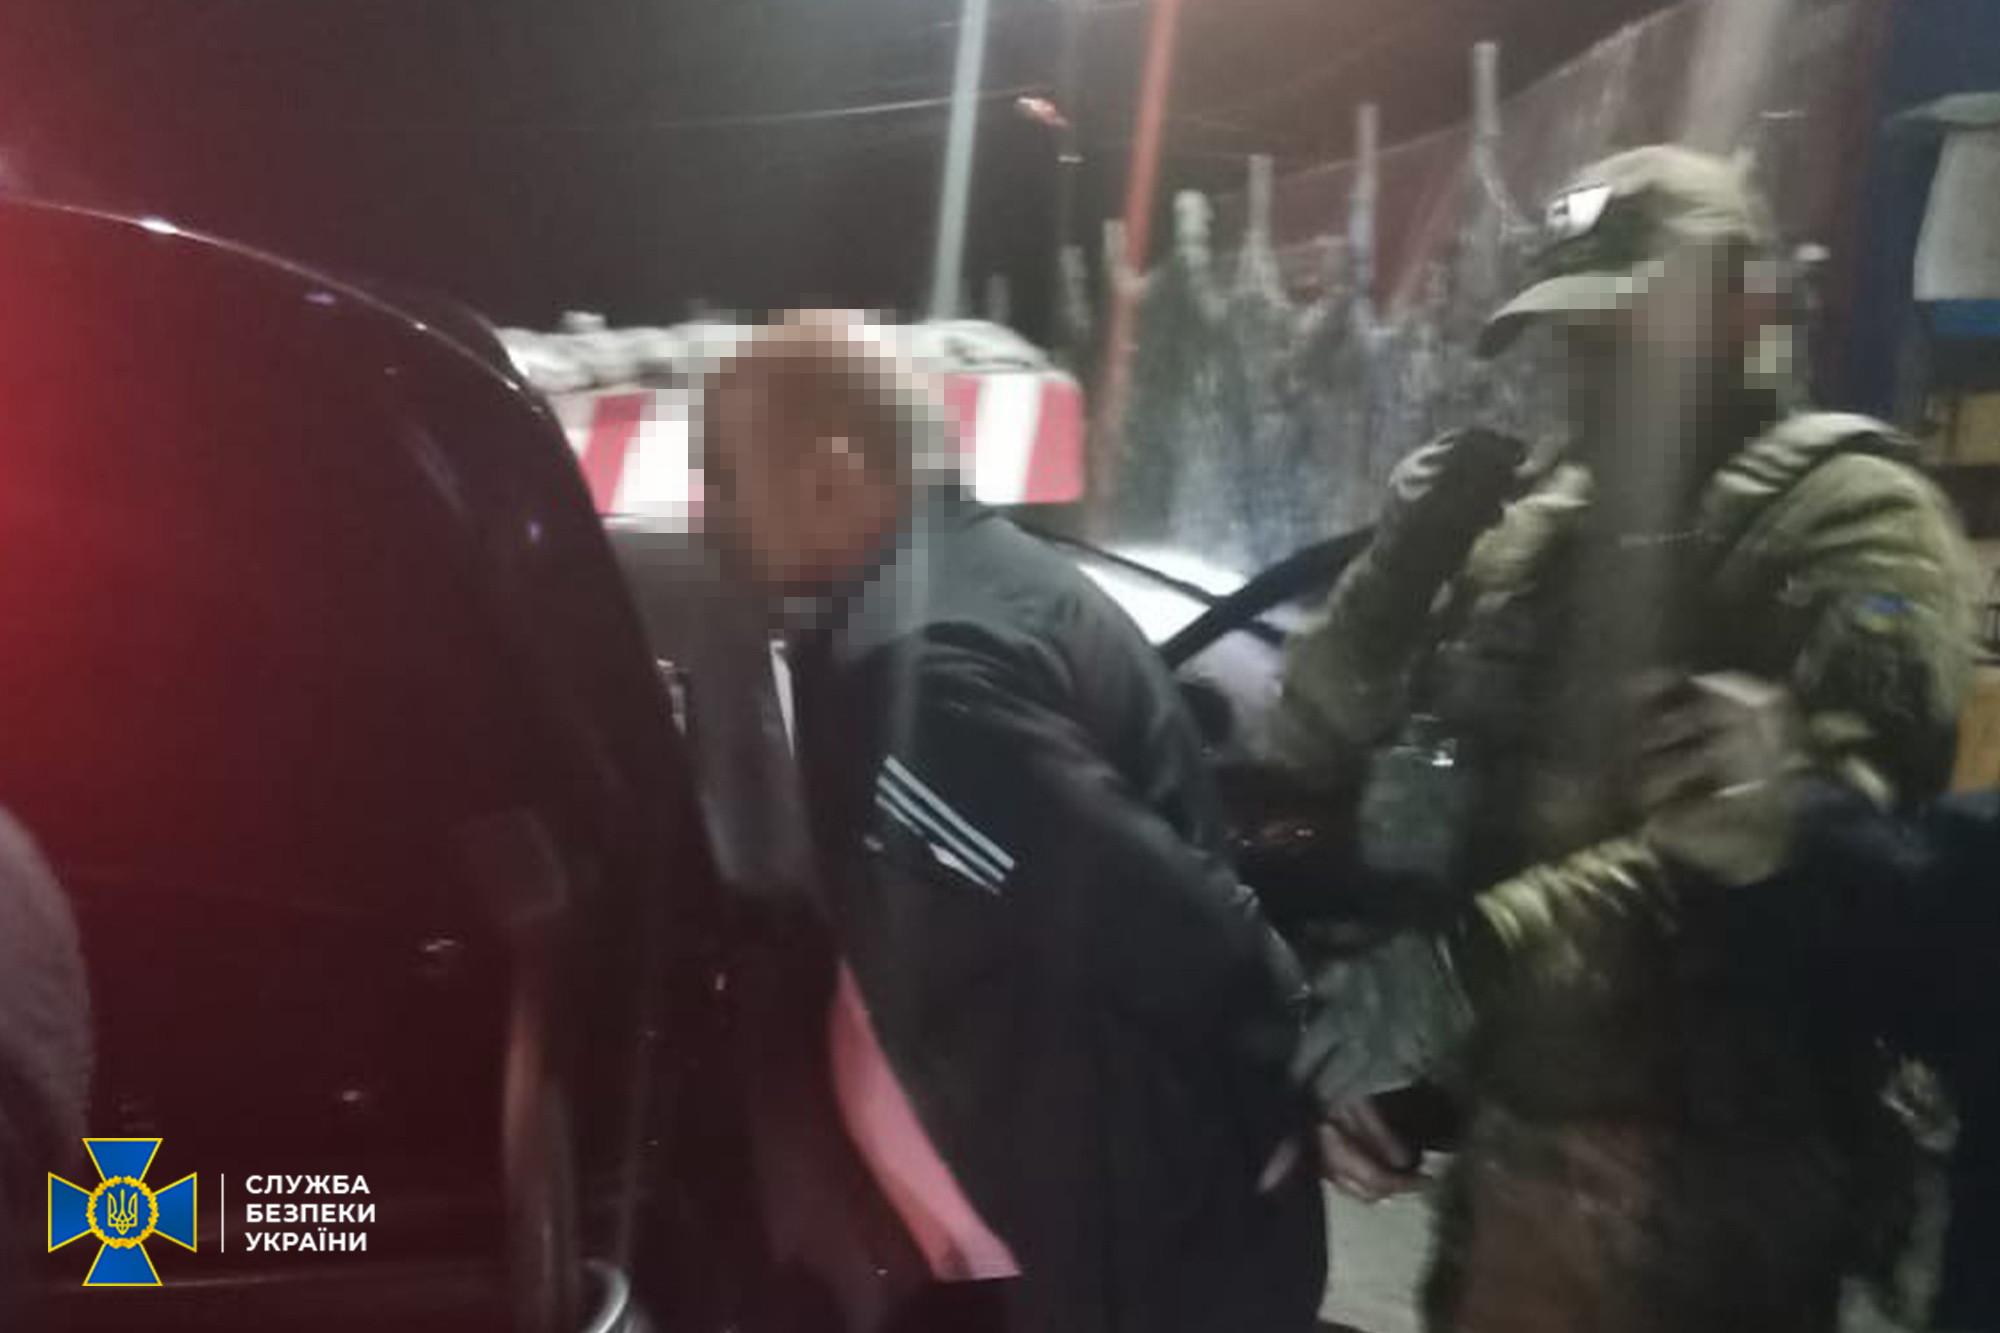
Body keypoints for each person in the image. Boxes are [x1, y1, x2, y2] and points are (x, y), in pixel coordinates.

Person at [1274, 146, 1979, 1332]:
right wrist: (1399, 564)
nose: (1591, 365)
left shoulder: (1850, 520)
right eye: (1574, 334)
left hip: (1715, 1200)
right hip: (1512, 1168)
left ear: (1743, 308)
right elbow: (1351, 750)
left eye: (1624, 328)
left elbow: (1805, 854)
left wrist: (1456, 975)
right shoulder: (1545, 527)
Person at [700, 314, 1325, 1333]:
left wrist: (1304, 1078)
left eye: (725, 475)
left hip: (1138, 1255)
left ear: (829, 470)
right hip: (1122, 1227)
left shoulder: (917, 673)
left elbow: (1163, 918)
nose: (711, 511)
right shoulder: (975, 585)